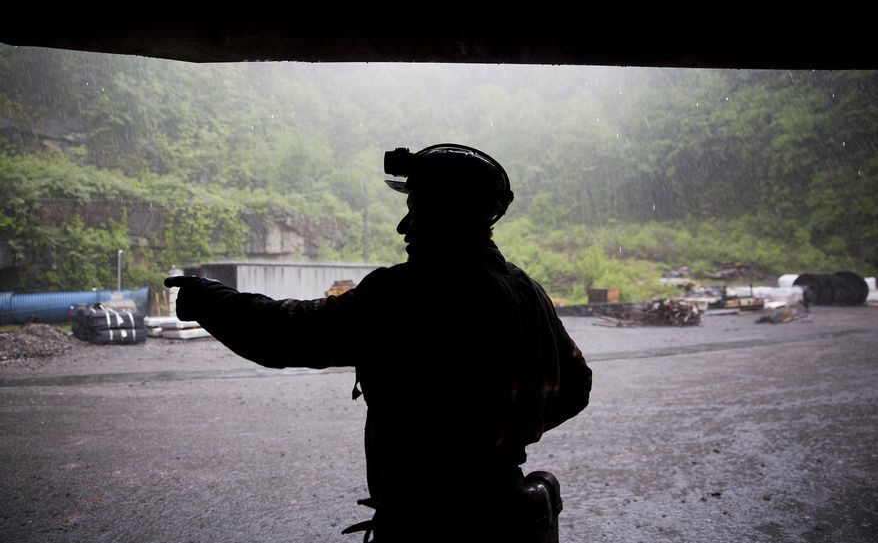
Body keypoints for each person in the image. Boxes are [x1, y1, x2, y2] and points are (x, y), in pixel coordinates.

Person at [165, 143, 592, 542]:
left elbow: (287, 334)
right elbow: (576, 386)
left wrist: (207, 297)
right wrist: (498, 435)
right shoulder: (527, 291)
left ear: (451, 213)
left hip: (426, 522)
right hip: (505, 508)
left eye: (417, 208)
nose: (404, 225)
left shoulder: (406, 293)